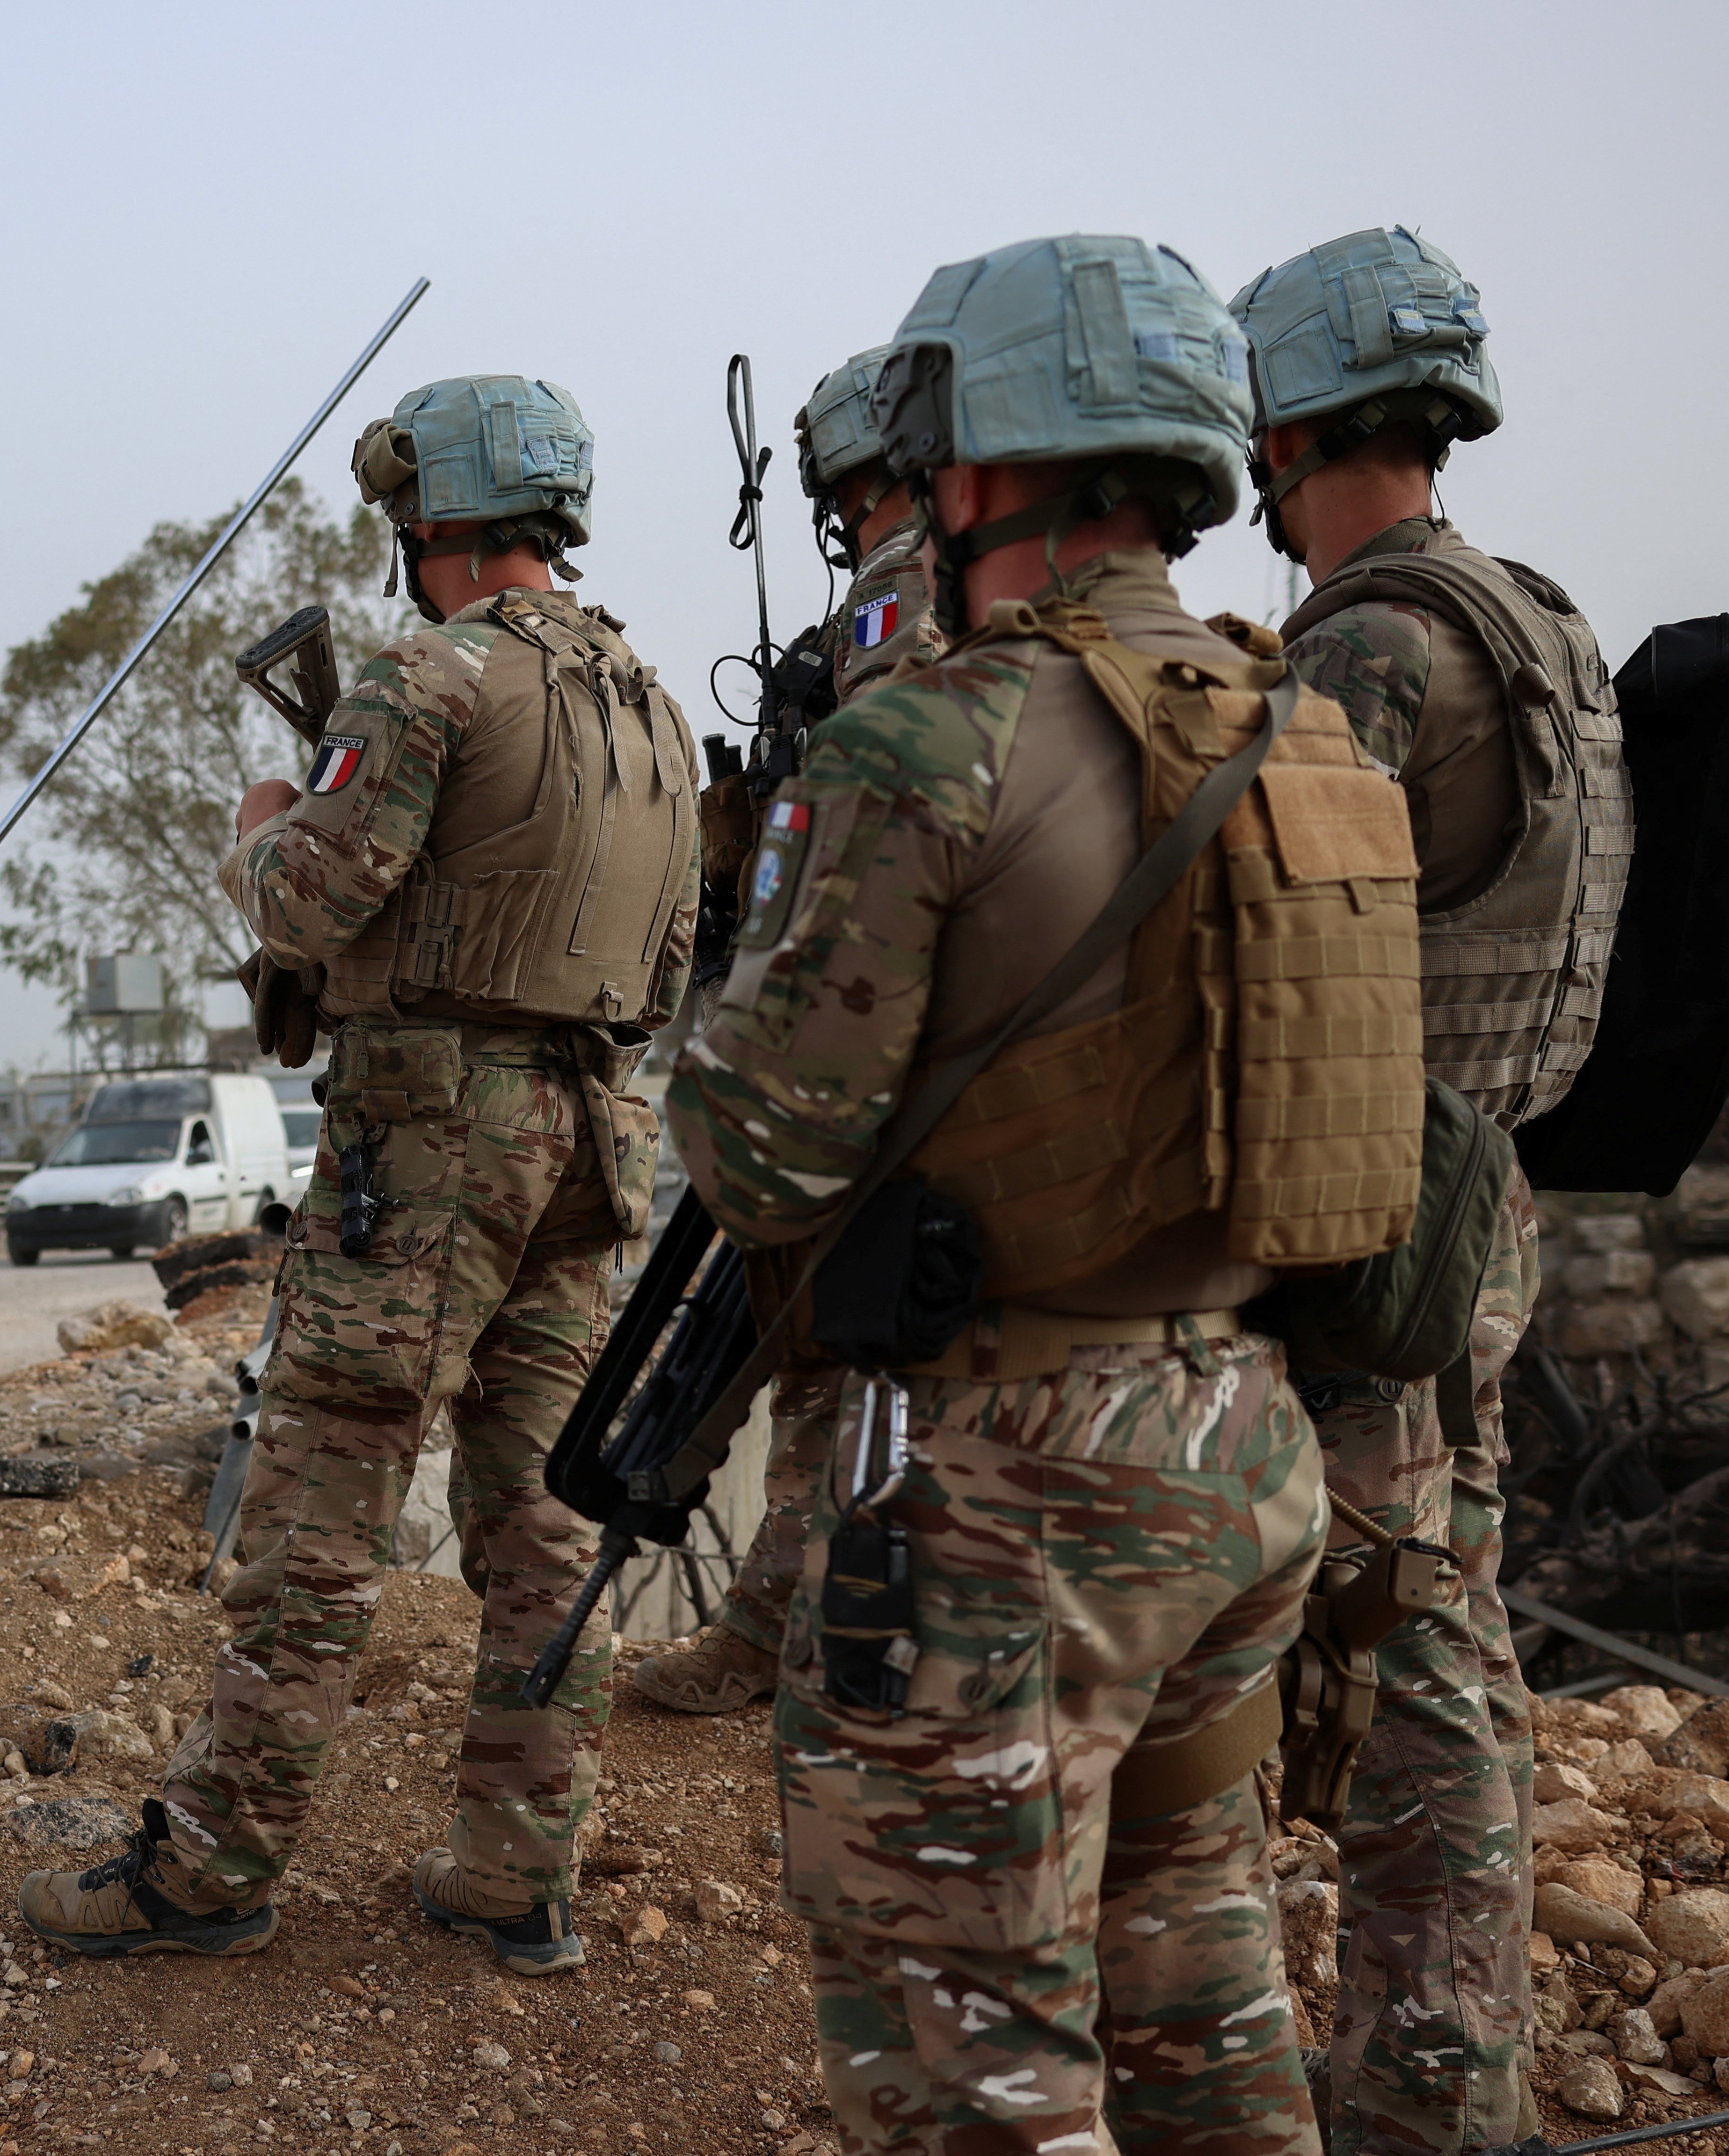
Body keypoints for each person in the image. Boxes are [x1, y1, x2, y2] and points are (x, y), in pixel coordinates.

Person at [673, 233, 1420, 2154]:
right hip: (1243, 1454)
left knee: (974, 2075)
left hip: (1005, 1475)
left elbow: (758, 1153)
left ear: (981, 463)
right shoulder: (1306, 730)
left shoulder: (926, 737)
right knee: (1200, 1990)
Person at [17, 374, 698, 1975]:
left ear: (429, 519)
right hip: (592, 1143)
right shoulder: (651, 706)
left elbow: (312, 901)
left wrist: (260, 825)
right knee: (539, 1523)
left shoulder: (426, 676)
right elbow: (668, 963)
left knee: (321, 1513)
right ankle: (518, 1870)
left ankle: (210, 1870)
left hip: (428, 1151)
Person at [1237, 225, 1627, 2156]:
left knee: (1395, 1660)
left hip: (1370, 1211)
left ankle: (1417, 2094)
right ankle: (1435, 2074)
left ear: (1286, 419)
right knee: (1438, 1629)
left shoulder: (1368, 644)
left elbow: (1258, 937)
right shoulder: (1529, 611)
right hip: (1475, 1200)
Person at [632, 346, 940, 1720]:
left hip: (874, 1037)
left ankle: (787, 1639)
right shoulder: (987, 586)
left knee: (828, 1348)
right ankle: (782, 1624)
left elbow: (881, 825)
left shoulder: (902, 593)